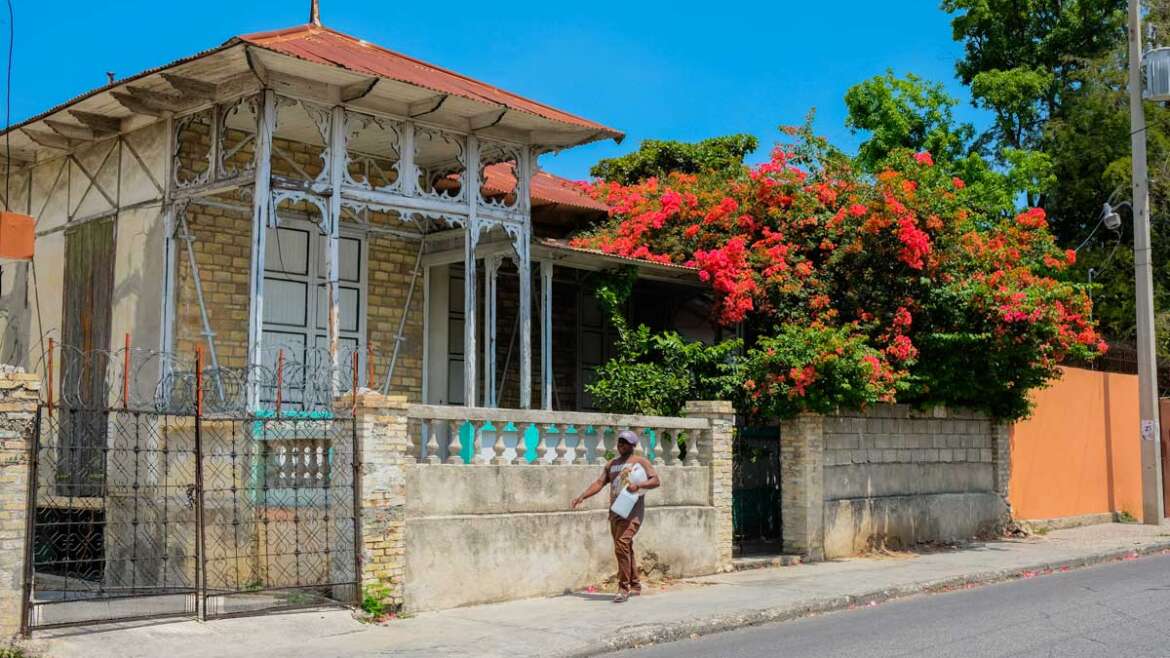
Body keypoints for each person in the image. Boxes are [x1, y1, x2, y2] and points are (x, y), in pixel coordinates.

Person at [570, 430, 660, 603]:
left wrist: (638, 485)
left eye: (624, 443)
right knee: (624, 547)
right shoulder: (611, 464)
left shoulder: (640, 462)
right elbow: (599, 483)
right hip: (616, 510)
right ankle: (635, 584)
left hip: (633, 511)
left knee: (622, 544)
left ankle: (623, 587)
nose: (620, 446)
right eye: (619, 442)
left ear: (632, 446)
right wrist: (582, 496)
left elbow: (656, 481)